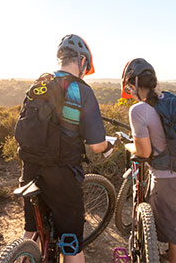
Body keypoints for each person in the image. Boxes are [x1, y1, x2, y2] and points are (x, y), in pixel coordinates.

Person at [18, 34, 113, 263]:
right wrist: (108, 145)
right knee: (71, 243)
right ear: (81, 61)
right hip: (62, 176)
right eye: (85, 66)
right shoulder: (82, 91)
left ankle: (21, 253)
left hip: (29, 170)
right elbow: (96, 145)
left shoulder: (39, 85)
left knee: (31, 230)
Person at [120, 58, 176, 263]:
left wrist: (129, 146)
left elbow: (144, 153)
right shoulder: (168, 99)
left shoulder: (138, 110)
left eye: (129, 88)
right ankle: (169, 254)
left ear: (133, 86)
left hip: (168, 179)